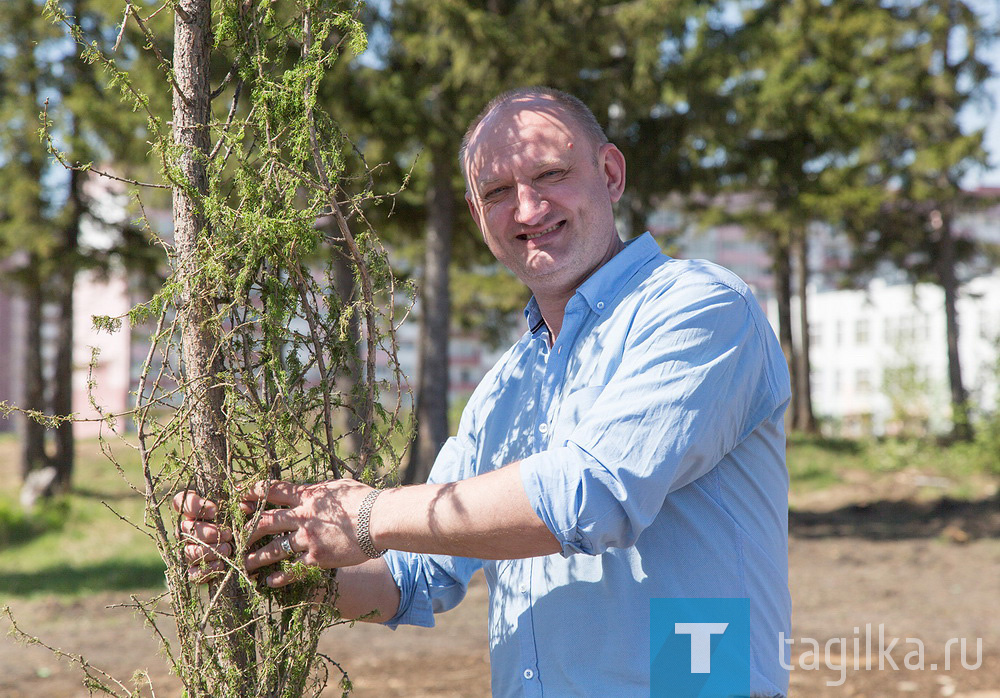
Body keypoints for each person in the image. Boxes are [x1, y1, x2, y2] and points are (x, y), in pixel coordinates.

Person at [175, 86, 792, 697]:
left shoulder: (700, 308)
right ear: (477, 215)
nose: (527, 209)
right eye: (497, 192)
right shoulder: (506, 386)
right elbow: (410, 576)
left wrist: (365, 514)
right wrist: (272, 557)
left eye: (550, 174)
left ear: (609, 173)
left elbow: (592, 493)